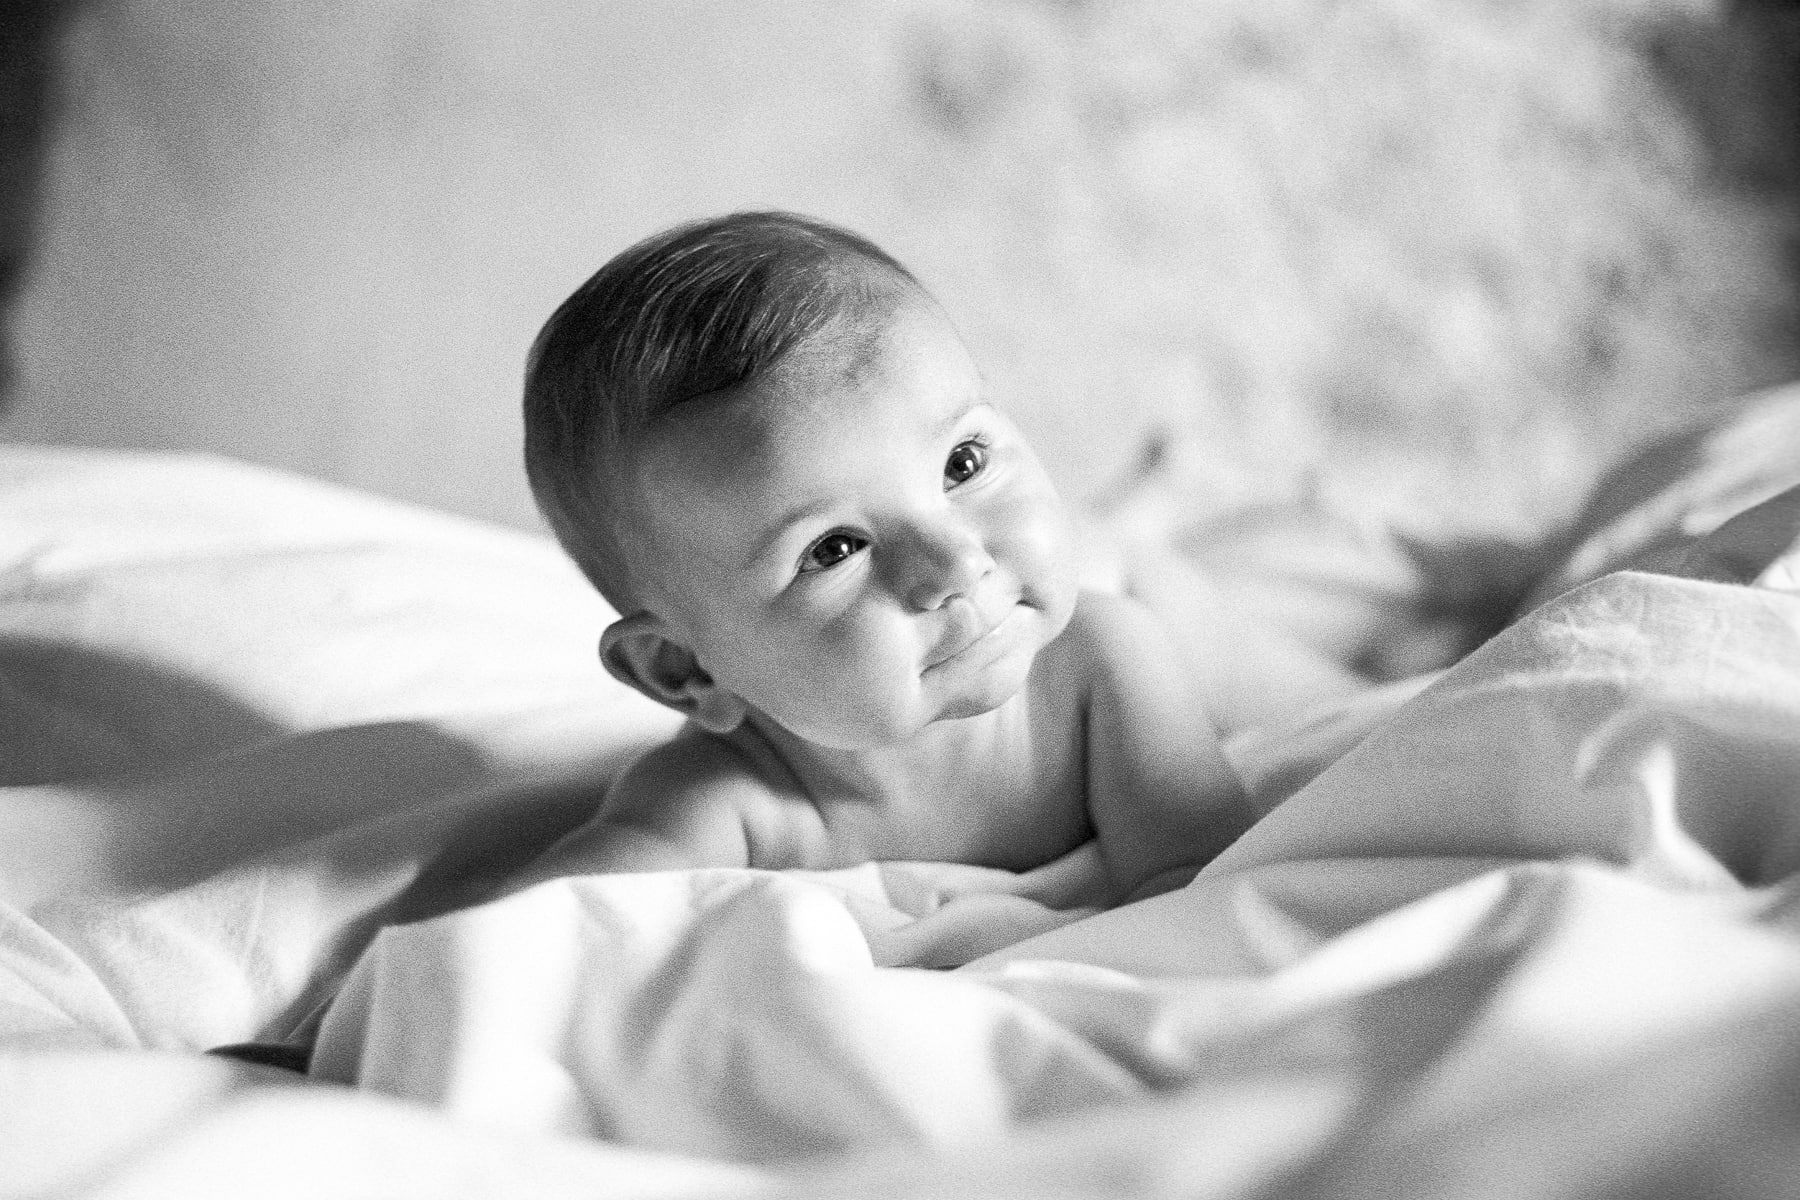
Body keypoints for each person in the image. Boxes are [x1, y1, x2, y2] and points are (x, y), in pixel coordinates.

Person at [519, 211, 1257, 909]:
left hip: (1147, 586)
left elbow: (1200, 892)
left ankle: (1157, 499)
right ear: (684, 670)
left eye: (963, 463)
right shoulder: (730, 799)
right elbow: (543, 929)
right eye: (834, 549)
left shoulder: (1104, 663)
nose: (958, 564)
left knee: (1235, 624)